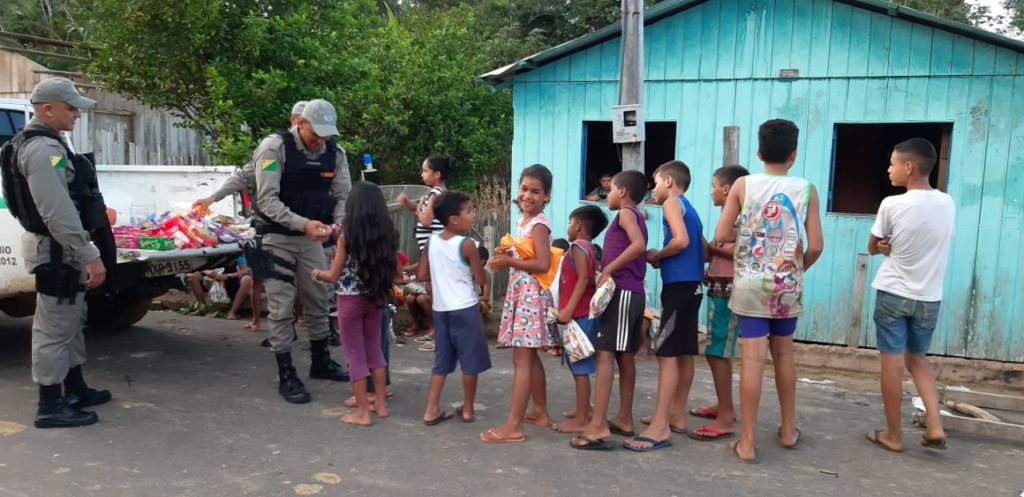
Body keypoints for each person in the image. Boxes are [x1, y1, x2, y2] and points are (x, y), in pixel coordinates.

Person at [0, 77, 112, 428]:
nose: (77, 113)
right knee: (53, 328)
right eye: (70, 107)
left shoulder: (46, 144)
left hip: (60, 250)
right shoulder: (43, 151)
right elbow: (57, 210)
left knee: (72, 322)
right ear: (47, 109)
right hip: (58, 251)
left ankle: (75, 388)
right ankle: (50, 405)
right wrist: (88, 253)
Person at [714, 119, 823, 463]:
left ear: (759, 152)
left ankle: (747, 443)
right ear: (794, 153)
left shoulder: (743, 185)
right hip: (786, 286)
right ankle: (788, 430)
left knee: (752, 360)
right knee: (785, 355)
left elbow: (722, 234)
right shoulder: (807, 189)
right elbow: (816, 245)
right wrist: (795, 268)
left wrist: (750, 233)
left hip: (749, 285)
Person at [251, 98, 352, 404]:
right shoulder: (273, 149)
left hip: (313, 239)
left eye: (326, 134)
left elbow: (343, 195)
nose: (320, 139)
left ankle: (321, 362)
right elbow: (267, 200)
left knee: (319, 299)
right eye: (315, 133)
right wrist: (303, 223)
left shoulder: (335, 153)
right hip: (277, 237)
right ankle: (286, 374)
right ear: (299, 123)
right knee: (281, 307)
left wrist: (337, 223)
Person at [864, 138, 953, 453]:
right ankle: (935, 425)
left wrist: (884, 247)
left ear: (909, 167)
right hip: (929, 298)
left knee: (892, 363)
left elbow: (873, 246)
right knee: (918, 359)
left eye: (892, 164)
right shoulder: (947, 202)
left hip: (894, 293)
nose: (889, 170)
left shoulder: (892, 204)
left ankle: (893, 435)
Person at [194, 100, 308, 331]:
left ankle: (299, 320)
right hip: (268, 228)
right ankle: (262, 323)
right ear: (294, 120)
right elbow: (244, 177)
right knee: (261, 278)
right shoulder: (271, 150)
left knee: (297, 281)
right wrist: (212, 198)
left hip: (300, 228)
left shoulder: (317, 151)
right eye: (300, 120)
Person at [624, 161, 705, 452]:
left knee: (667, 354)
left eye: (655, 182)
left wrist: (659, 253)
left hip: (679, 287)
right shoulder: (691, 210)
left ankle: (660, 426)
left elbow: (681, 241)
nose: (653, 188)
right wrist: (667, 257)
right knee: (682, 354)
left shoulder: (672, 203)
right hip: (692, 287)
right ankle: (677, 414)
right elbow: (700, 247)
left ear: (669, 182)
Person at [572, 170, 649, 450]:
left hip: (623, 292)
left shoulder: (627, 214)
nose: (609, 194)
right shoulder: (634, 215)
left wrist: (609, 269)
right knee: (623, 357)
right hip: (632, 292)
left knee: (605, 355)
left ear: (624, 192)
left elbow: (639, 246)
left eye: (612, 189)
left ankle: (598, 425)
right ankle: (624, 418)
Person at [481, 164, 558, 444]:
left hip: (530, 294)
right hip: (522, 292)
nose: (527, 195)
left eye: (535, 191)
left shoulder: (539, 223)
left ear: (547, 196)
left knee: (521, 359)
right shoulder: (523, 220)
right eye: (524, 189)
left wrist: (509, 261)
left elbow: (542, 263)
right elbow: (525, 255)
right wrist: (508, 253)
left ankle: (514, 426)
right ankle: (539, 411)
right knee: (529, 356)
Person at [313, 182, 396, 426]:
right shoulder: (387, 232)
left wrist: (317, 273)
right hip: (376, 297)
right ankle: (380, 404)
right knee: (375, 351)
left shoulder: (348, 236)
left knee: (355, 355)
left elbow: (333, 274)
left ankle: (362, 412)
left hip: (350, 300)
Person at [416, 191, 492, 425]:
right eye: (468, 210)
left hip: (441, 309)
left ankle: (431, 409)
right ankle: (467, 409)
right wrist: (481, 269)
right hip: (466, 309)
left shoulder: (432, 241)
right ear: (454, 219)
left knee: (441, 362)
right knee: (470, 362)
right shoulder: (467, 244)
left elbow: (420, 274)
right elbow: (481, 280)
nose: (473, 214)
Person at [688, 164, 749, 442]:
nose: (711, 191)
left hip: (728, 291)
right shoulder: (729, 216)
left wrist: (704, 242)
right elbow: (713, 253)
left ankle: (726, 415)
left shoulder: (741, 219)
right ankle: (724, 406)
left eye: (713, 185)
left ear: (727, 189)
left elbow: (743, 254)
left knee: (718, 351)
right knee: (717, 350)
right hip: (718, 286)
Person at [550, 205, 608, 434]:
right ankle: (583, 408)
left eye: (569, 222)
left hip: (579, 315)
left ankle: (582, 417)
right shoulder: (589, 248)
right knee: (578, 366)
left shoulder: (577, 247)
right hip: (581, 314)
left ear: (578, 225)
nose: (568, 228)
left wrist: (568, 310)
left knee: (580, 367)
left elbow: (584, 279)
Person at [397, 155, 454, 345]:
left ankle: (437, 330)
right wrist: (411, 205)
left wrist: (420, 205)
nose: (422, 175)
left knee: (433, 292)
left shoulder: (433, 194)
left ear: (437, 174)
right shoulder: (441, 193)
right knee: (435, 292)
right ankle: (438, 329)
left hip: (433, 251)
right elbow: (427, 213)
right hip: (436, 250)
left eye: (425, 171)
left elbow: (426, 219)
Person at [186, 257, 254, 320]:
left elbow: (245, 270)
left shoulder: (236, 252)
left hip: (231, 283)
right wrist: (208, 273)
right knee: (195, 276)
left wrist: (228, 276)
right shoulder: (209, 251)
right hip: (211, 282)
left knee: (247, 279)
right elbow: (199, 268)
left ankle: (232, 312)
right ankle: (202, 308)